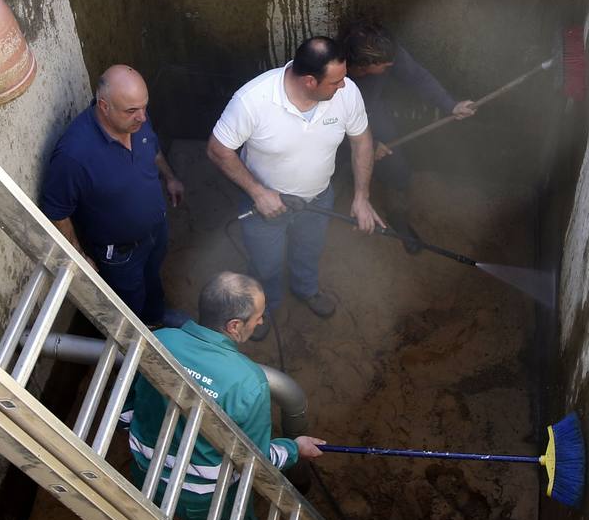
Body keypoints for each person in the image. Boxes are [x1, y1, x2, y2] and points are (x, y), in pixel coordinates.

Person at [128, 272, 325, 520]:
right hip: (207, 494)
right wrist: (294, 448)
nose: (261, 321)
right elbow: (256, 460)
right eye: (257, 316)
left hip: (145, 469)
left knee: (154, 511)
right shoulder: (249, 381)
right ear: (234, 326)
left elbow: (131, 398)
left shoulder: (160, 339)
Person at [206, 37, 382, 341]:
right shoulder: (253, 101)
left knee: (310, 248)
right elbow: (218, 150)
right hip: (265, 207)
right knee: (266, 263)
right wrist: (259, 193)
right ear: (310, 81)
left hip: (318, 199)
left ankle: (306, 289)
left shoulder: (346, 93)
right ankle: (266, 308)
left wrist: (361, 196)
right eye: (336, 81)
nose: (344, 85)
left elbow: (361, 140)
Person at [39, 65, 184, 325]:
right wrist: (79, 256)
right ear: (104, 106)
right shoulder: (74, 156)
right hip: (121, 254)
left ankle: (156, 319)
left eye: (144, 107)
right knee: (128, 305)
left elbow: (153, 150)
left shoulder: (137, 119)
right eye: (131, 111)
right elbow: (56, 211)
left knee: (153, 277)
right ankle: (138, 339)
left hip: (155, 231)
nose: (142, 117)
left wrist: (170, 177)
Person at [342, 22, 476, 250]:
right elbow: (321, 124)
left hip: (372, 113)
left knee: (397, 170)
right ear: (364, 65)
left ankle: (398, 217)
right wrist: (367, 146)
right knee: (333, 168)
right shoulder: (333, 71)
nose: (392, 65)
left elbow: (417, 77)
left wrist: (449, 105)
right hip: (335, 127)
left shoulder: (387, 53)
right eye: (385, 66)